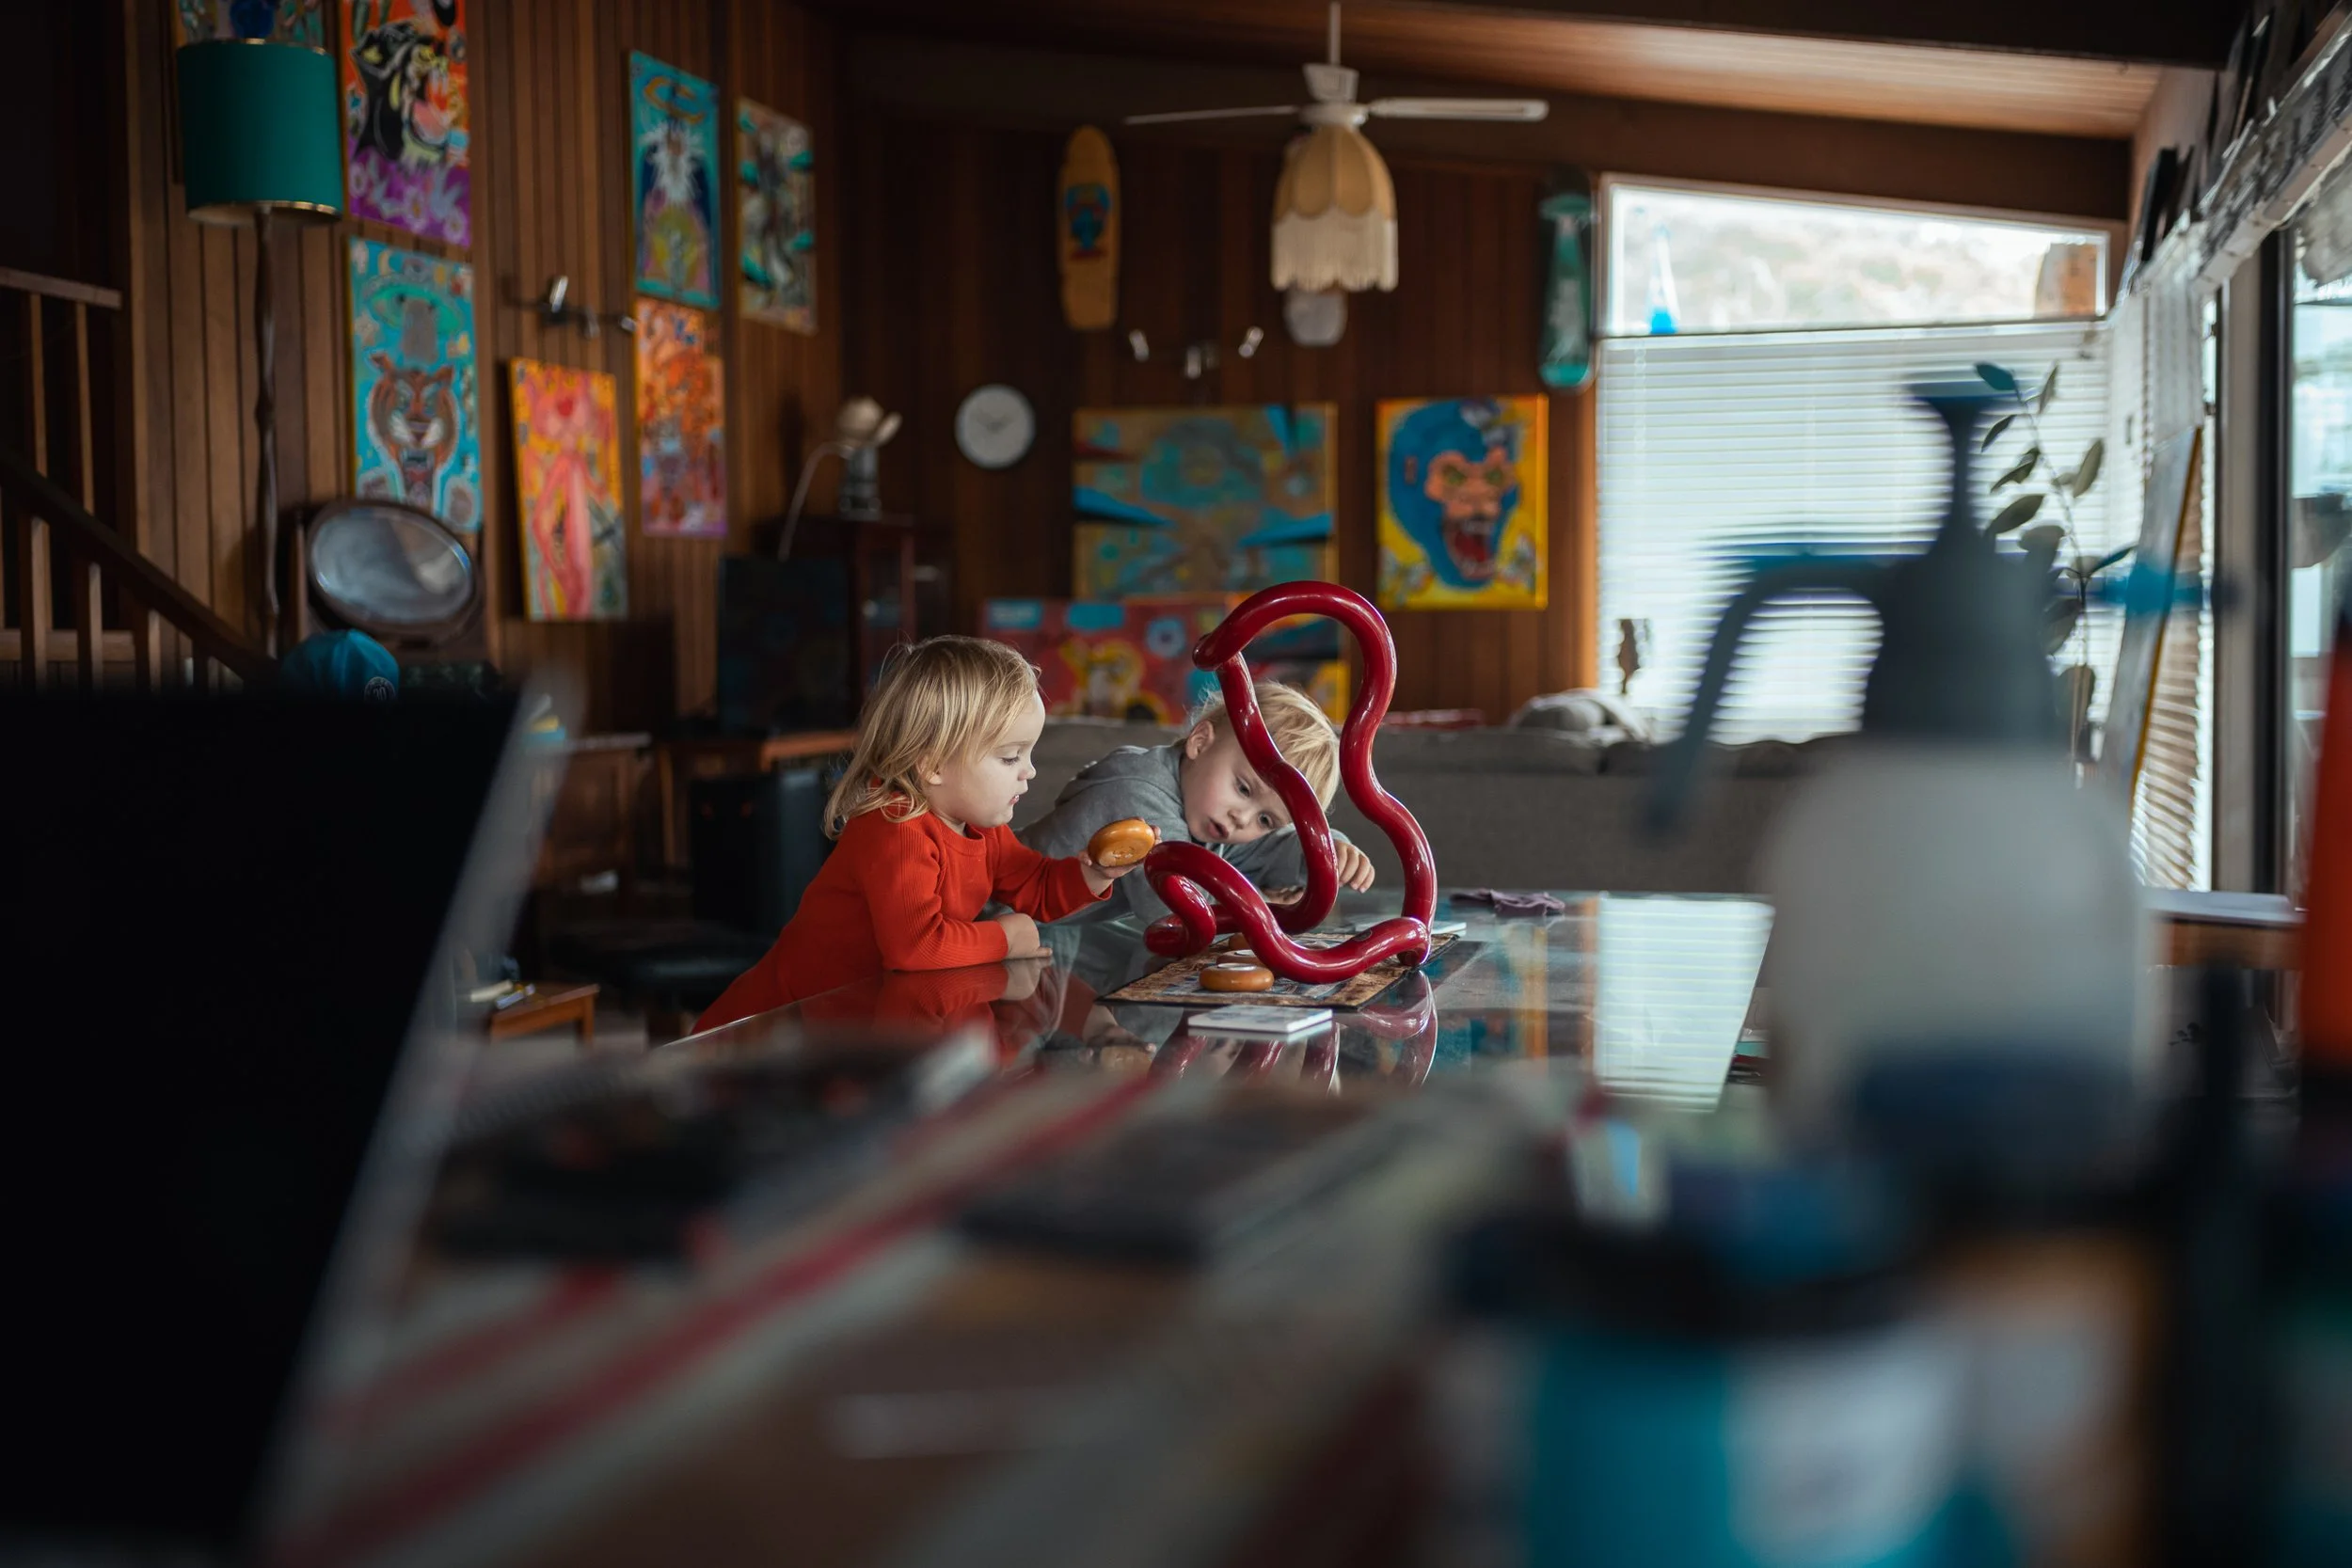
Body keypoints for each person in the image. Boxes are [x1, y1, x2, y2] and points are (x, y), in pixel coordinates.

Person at [694, 637, 1137, 1033]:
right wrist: (1007, 937)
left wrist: (1093, 873)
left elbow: (1037, 885)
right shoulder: (896, 828)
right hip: (773, 1031)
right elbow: (918, 949)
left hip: (862, 1031)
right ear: (933, 765)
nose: (1030, 772)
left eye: (1029, 754)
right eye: (1010, 757)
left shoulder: (981, 827)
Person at [1017, 679, 1375, 928]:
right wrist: (1261, 908)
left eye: (1266, 820)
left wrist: (1325, 851)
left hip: (1058, 931)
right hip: (997, 908)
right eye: (1243, 789)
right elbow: (1180, 913)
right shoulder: (1141, 798)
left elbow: (1268, 852)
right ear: (1200, 742)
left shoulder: (1207, 809)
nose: (1242, 818)